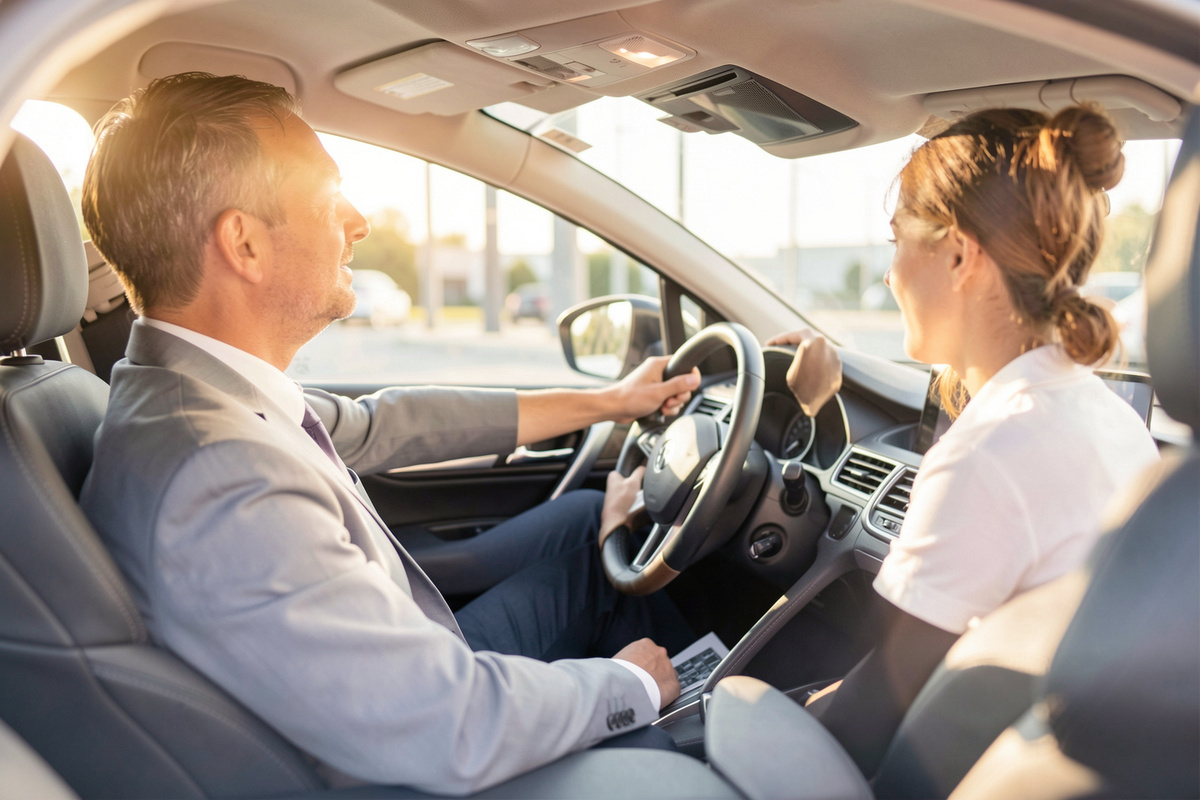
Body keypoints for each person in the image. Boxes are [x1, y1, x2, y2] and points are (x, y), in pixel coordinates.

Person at [78, 72, 701, 794]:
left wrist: (611, 401)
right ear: (243, 244)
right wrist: (629, 685)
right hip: (405, 755)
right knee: (648, 711)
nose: (359, 221)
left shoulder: (191, 390)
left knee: (587, 535)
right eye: (328, 197)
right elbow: (450, 726)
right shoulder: (218, 474)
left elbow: (388, 424)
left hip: (394, 680)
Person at [777, 104, 1160, 775]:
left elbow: (865, 722)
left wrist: (761, 715)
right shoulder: (1110, 417)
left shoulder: (987, 454)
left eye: (896, 241)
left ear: (959, 255)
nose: (890, 275)